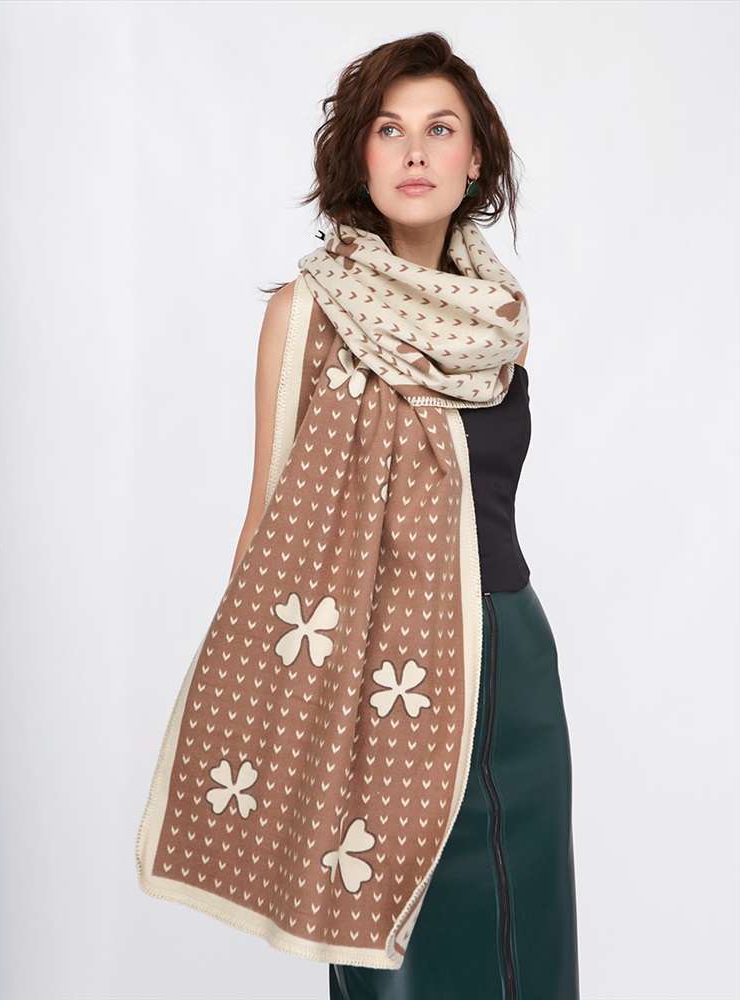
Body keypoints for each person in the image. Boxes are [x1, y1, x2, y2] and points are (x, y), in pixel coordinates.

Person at [136, 31, 579, 1000]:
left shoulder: (497, 323)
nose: (415, 151)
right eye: (389, 129)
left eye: (440, 129)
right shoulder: (307, 312)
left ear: (475, 161)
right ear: (361, 156)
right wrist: (263, 706)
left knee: (529, 942)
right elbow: (267, 523)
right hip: (379, 683)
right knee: (384, 945)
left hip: (510, 667)